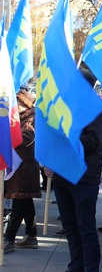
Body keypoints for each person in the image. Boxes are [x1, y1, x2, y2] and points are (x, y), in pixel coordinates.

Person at [44, 65, 102, 272]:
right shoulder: (64, 108)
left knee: (85, 228)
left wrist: (69, 134)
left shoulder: (97, 111)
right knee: (71, 227)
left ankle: (90, 268)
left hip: (84, 178)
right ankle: (75, 267)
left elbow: (93, 142)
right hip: (63, 176)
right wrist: (49, 162)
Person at [3, 89, 41, 254]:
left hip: (24, 168)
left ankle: (9, 238)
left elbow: (27, 137)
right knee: (25, 202)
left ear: (24, 104)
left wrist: (7, 137)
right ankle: (31, 235)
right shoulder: (19, 118)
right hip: (17, 167)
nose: (15, 107)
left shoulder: (31, 117)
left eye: (17, 104)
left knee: (19, 202)